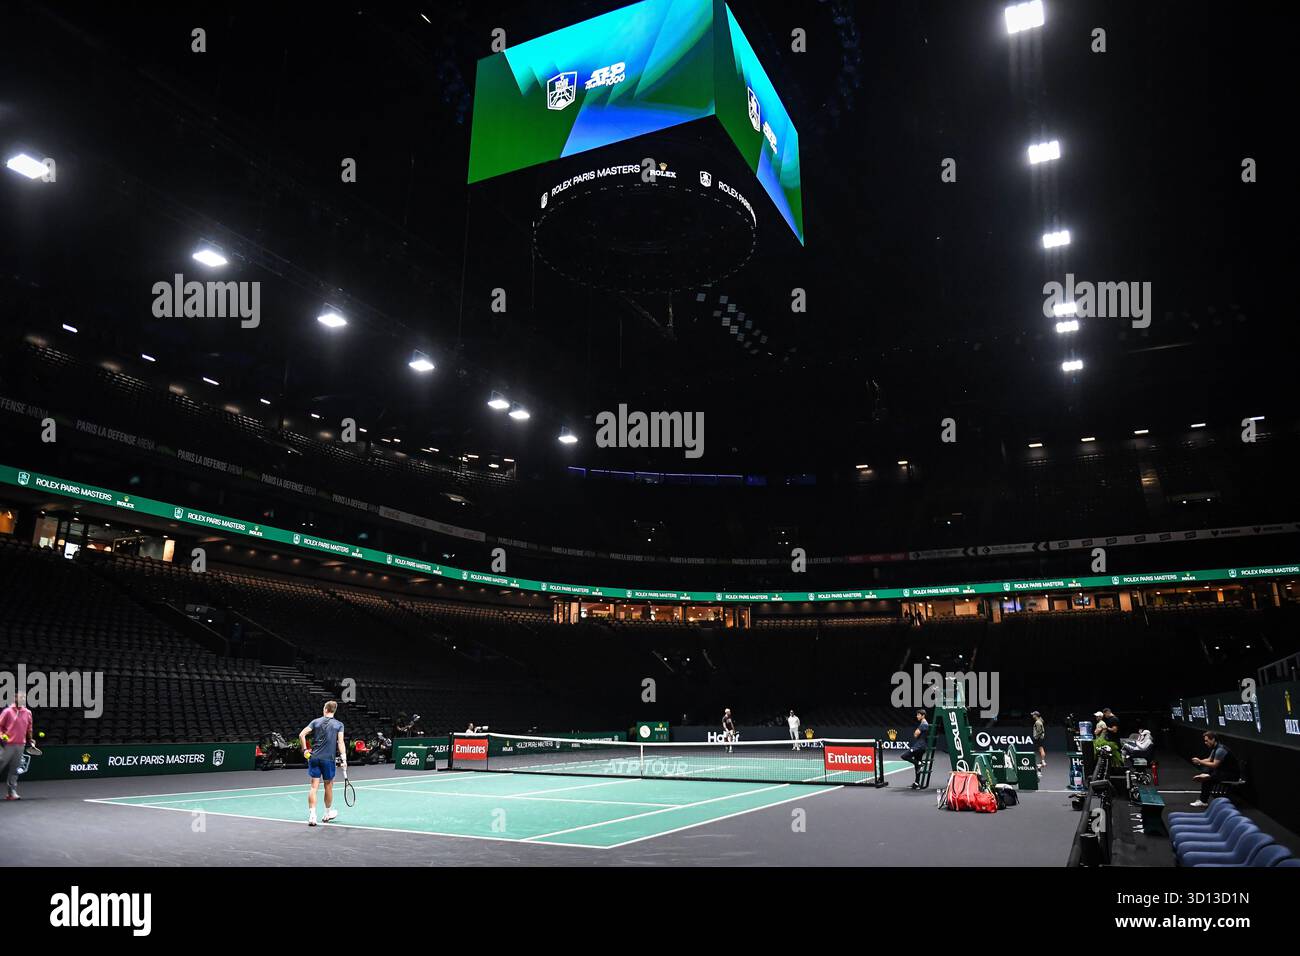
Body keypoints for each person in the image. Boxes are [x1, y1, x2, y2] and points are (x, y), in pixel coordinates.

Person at [299, 700, 345, 827]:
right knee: (328, 786)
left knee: (314, 787)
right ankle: (326, 814)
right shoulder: (339, 724)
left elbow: (301, 734)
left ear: (325, 709)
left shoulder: (315, 722)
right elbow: (340, 743)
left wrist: (304, 750)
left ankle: (312, 816)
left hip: (314, 758)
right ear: (334, 711)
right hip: (328, 760)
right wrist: (344, 758)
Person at [0, 692, 35, 801]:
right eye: (20, 697)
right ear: (14, 698)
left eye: (24, 697)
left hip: (20, 744)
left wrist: (31, 739)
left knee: (15, 770)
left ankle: (11, 792)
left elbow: (29, 728)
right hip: (6, 744)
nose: (22, 699)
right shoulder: (7, 711)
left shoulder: (28, 712)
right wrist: (2, 736)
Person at [1190, 731, 1231, 808]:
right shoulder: (1215, 748)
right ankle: (1203, 799)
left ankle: (1203, 801)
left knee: (1207, 779)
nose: (1205, 742)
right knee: (1206, 772)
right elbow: (1209, 759)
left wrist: (1200, 762)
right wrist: (1199, 761)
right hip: (1223, 771)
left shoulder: (1220, 750)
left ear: (1213, 739)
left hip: (1231, 774)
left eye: (1206, 740)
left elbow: (1214, 765)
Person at [901, 709, 929, 789]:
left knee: (904, 756)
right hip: (922, 746)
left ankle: (920, 764)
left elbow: (916, 734)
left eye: (918, 715)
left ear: (923, 716)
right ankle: (917, 783)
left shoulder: (923, 724)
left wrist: (916, 732)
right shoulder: (924, 724)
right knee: (917, 766)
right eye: (917, 715)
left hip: (919, 746)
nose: (917, 716)